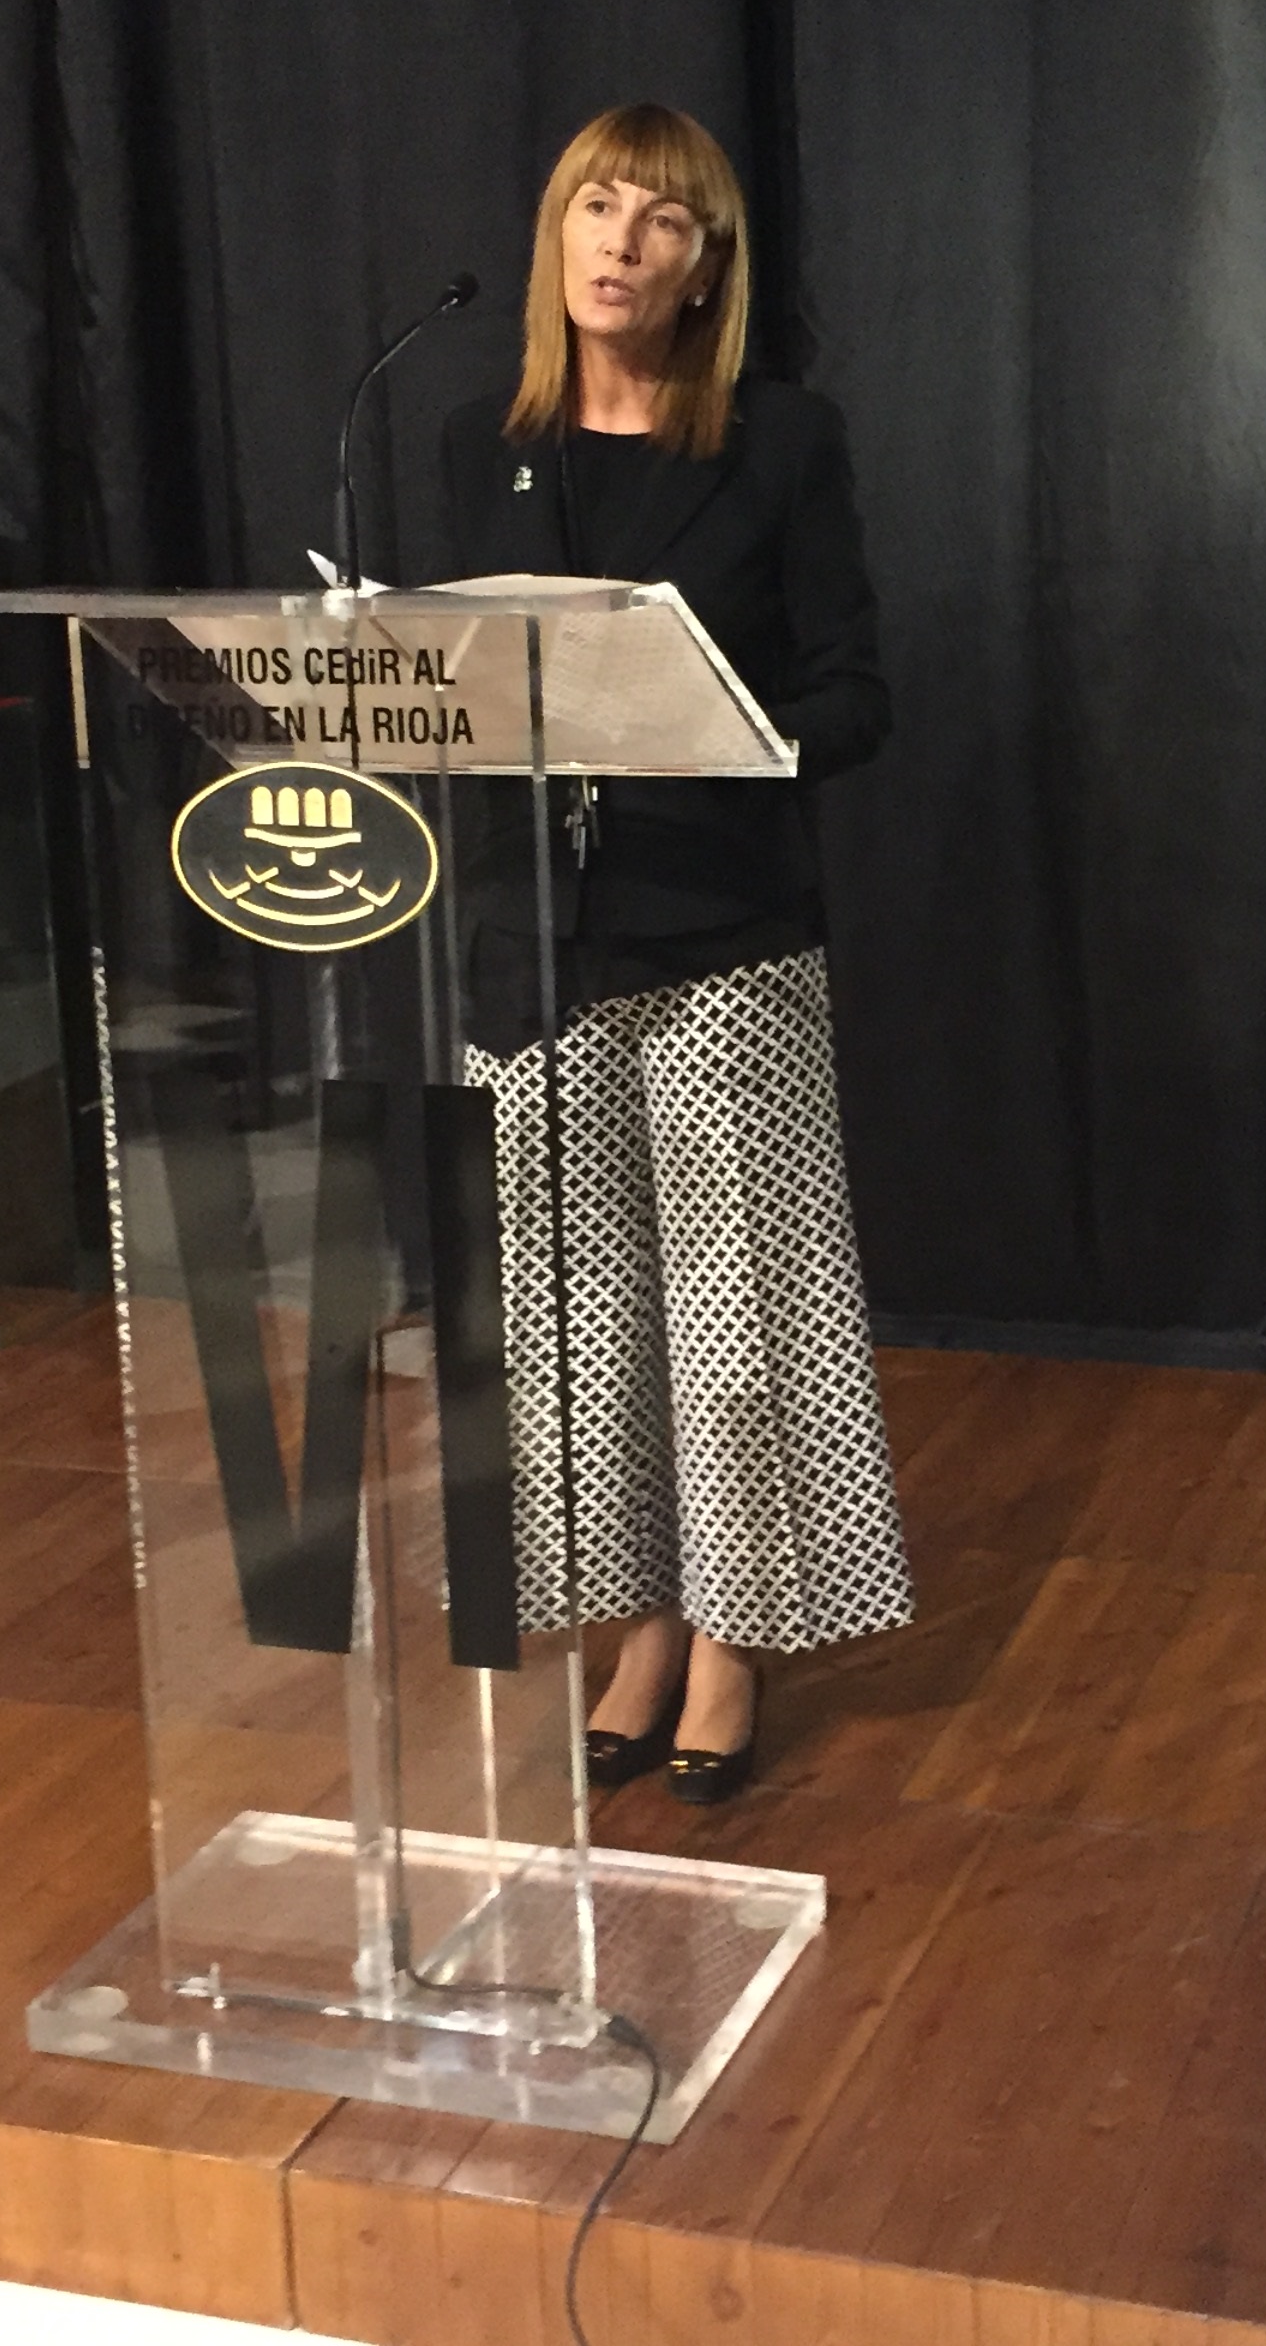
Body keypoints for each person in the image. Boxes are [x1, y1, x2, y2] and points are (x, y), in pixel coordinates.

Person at [439, 102, 911, 1801]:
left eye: (659, 219)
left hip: (718, 936)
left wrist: (719, 733)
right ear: (557, 234)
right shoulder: (477, 447)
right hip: (533, 944)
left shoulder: (780, 444)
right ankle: (637, 1627)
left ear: (707, 266)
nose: (619, 244)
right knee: (577, 1325)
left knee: (736, 1320)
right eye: (595, 208)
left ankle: (732, 1641)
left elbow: (856, 693)